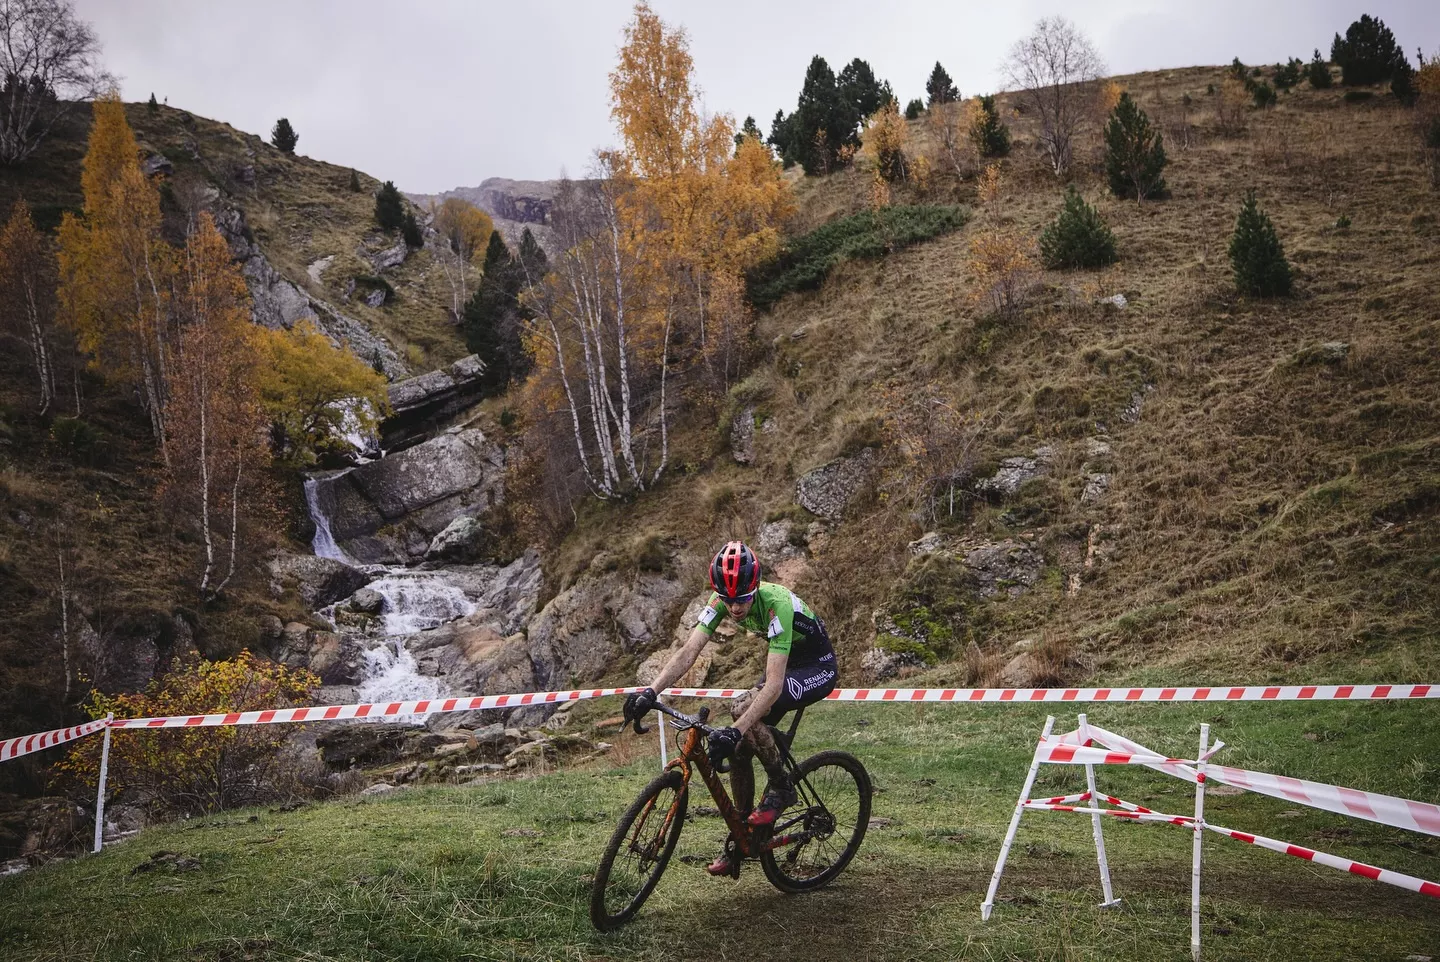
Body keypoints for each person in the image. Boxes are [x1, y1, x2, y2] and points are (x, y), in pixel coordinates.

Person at [624, 540, 839, 878]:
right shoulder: (720, 601)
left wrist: (738, 726)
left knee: (742, 713)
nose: (735, 608)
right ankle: (743, 837)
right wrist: (650, 691)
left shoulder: (776, 605)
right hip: (785, 661)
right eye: (728, 600)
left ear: (755, 587)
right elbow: (688, 651)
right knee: (737, 747)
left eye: (742, 599)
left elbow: (773, 687)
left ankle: (782, 786)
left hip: (815, 666)